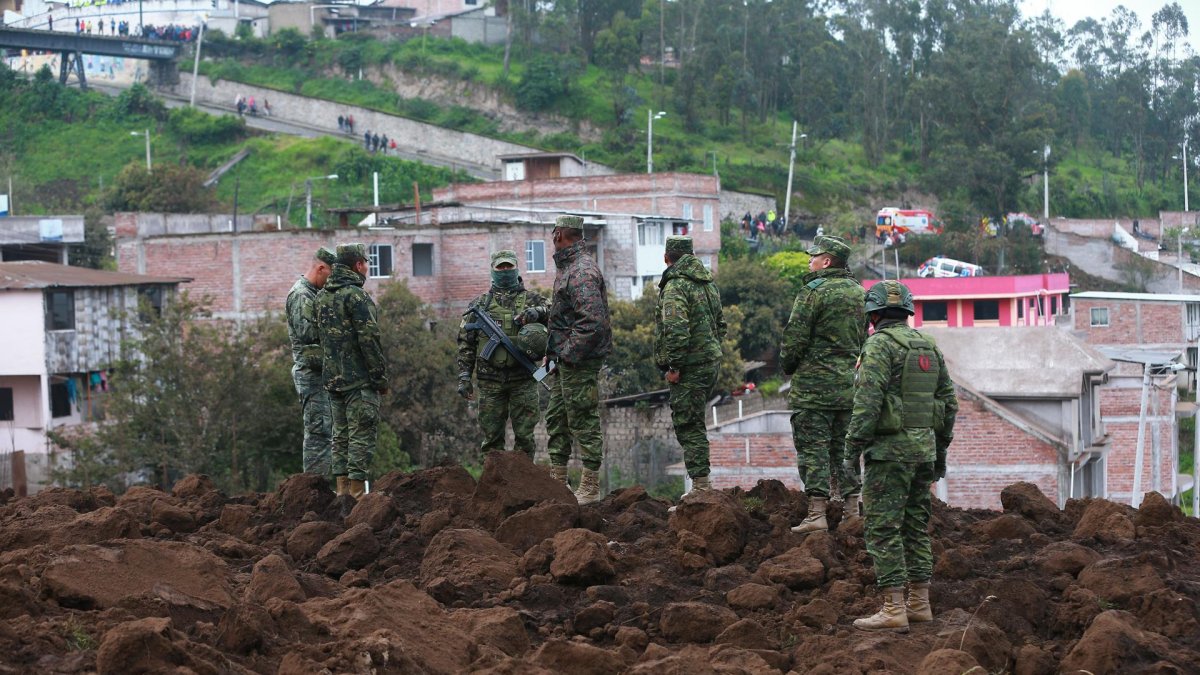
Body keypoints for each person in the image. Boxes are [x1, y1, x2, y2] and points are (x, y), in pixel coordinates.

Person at [848, 280, 957, 632]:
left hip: (888, 455)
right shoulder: (929, 347)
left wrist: (852, 450)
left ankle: (894, 608)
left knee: (882, 528)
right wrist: (939, 455)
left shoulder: (878, 346)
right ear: (907, 313)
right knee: (915, 527)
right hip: (923, 453)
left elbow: (867, 404)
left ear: (874, 315)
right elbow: (948, 406)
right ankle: (919, 604)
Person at [780, 234, 867, 534]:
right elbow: (862, 340)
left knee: (813, 450)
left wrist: (788, 367)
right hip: (846, 388)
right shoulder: (859, 293)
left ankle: (816, 514)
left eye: (813, 257)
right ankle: (852, 511)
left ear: (827, 261)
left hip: (812, 391)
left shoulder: (812, 292)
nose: (809, 261)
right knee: (845, 451)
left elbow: (794, 339)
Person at [542, 215, 612, 504]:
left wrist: (567, 354)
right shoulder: (568, 267)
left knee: (583, 418)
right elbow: (564, 317)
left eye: (552, 235)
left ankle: (590, 486)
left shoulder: (581, 271)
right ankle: (558, 481)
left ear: (559, 235)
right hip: (565, 359)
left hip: (578, 361)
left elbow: (592, 322)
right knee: (557, 417)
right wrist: (553, 351)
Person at [456, 250, 550, 457]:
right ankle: (493, 484)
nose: (505, 270)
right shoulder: (480, 304)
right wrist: (464, 377)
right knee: (491, 440)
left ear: (516, 268)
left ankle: (522, 482)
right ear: (493, 269)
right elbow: (465, 343)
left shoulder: (533, 300)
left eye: (509, 266)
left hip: (523, 380)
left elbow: (557, 316)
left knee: (525, 439)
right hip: (490, 382)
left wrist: (538, 313)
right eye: (501, 267)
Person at [655, 236, 725, 502]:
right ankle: (701, 485)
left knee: (689, 425)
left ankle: (701, 488)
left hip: (689, 368)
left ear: (666, 257)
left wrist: (675, 366)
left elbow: (676, 330)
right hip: (709, 362)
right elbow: (721, 325)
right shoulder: (707, 284)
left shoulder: (675, 287)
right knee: (695, 422)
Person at [315, 243, 388, 500]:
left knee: (340, 435)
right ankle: (357, 495)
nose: (367, 267)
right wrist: (380, 378)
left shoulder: (322, 296)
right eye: (365, 263)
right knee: (361, 434)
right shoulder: (356, 296)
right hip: (358, 381)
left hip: (333, 380)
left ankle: (342, 492)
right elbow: (369, 340)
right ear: (358, 265)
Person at [286, 248, 336, 479]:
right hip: (311, 374)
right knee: (318, 433)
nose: (330, 281)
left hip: (321, 374)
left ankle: (324, 486)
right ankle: (316, 488)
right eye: (330, 275)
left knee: (327, 431)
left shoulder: (313, 294)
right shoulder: (301, 295)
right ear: (321, 268)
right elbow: (309, 336)